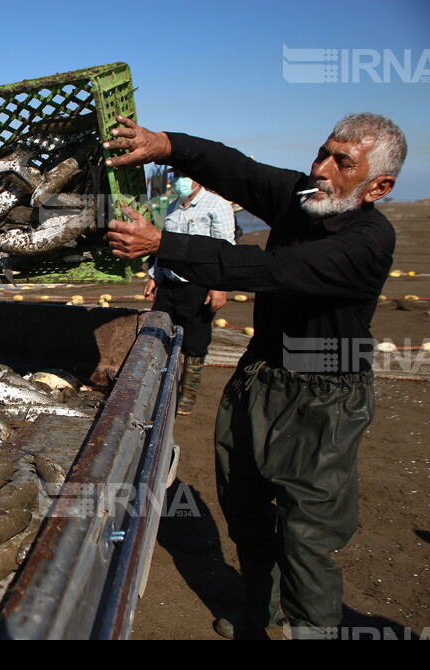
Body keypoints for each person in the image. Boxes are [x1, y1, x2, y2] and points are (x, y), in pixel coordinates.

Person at [104, 113, 406, 639]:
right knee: (243, 504)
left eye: (342, 162)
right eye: (322, 152)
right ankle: (261, 608)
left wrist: (164, 245)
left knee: (306, 528)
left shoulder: (367, 239)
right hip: (262, 372)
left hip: (325, 389)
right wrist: (165, 145)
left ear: (377, 187)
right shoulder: (303, 197)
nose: (321, 167)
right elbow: (236, 168)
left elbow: (271, 272)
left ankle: (312, 627)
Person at [145, 169, 235, 415]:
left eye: (185, 175)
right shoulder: (172, 207)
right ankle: (159, 388)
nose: (179, 181)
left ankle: (188, 393)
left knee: (195, 342)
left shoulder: (216, 206)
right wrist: (155, 277)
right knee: (158, 334)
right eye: (176, 175)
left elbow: (226, 249)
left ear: (197, 178)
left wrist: (219, 287)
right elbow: (163, 247)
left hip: (200, 285)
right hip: (170, 283)